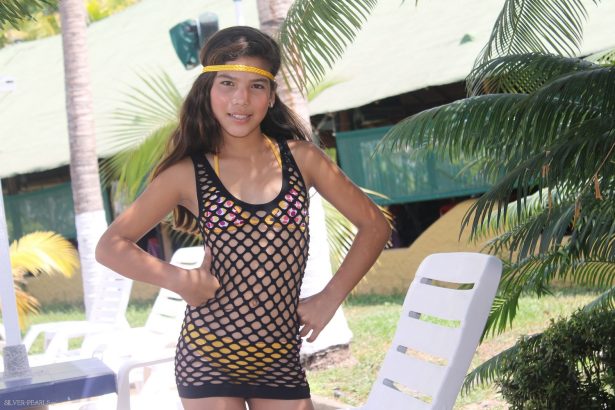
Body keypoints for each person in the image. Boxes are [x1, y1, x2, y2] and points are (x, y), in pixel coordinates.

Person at [96, 26, 391, 410]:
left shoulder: (303, 160)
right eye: (227, 83)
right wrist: (178, 279)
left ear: (271, 96)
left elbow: (375, 225)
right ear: (207, 90)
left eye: (256, 86)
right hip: (208, 356)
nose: (241, 98)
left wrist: (330, 298)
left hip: (280, 360)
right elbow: (110, 246)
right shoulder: (187, 174)